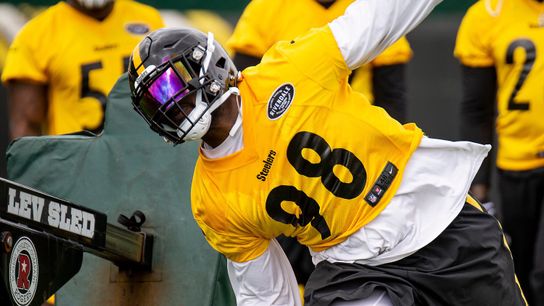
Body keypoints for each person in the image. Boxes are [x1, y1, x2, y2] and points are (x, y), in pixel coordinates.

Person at [128, 0, 526, 304]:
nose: (168, 107)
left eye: (170, 88)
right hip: (353, 265)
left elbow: (379, 17)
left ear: (209, 66)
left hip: (433, 213)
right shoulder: (211, 200)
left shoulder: (291, 66)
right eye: (154, 102)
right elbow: (265, 294)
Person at [454, 0, 544, 305]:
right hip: (517, 162)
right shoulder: (490, 13)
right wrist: (479, 190)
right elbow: (477, 109)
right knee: (520, 271)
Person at [1, 0, 164, 139]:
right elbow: (25, 127)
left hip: (143, 157)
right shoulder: (36, 34)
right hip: (76, 164)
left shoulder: (148, 19)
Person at [227, 0, 412, 123]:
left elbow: (391, 98)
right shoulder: (268, 7)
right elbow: (244, 92)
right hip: (284, 129)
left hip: (354, 131)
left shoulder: (371, 7)